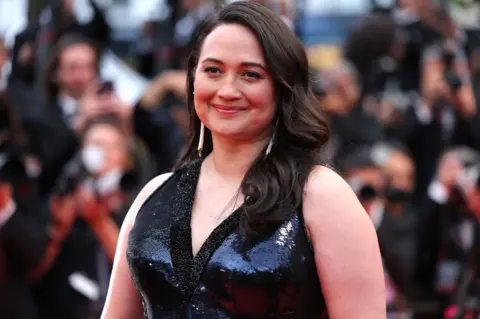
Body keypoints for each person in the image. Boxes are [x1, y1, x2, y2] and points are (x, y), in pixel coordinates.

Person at [101, 2, 386, 318]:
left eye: (250, 74)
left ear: (282, 87)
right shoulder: (153, 196)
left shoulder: (321, 196)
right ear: (193, 79)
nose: (227, 90)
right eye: (213, 70)